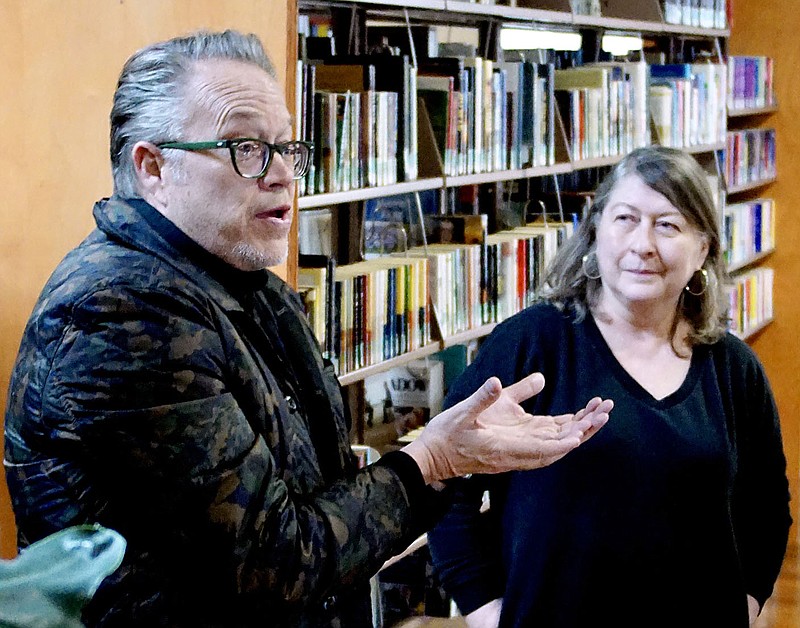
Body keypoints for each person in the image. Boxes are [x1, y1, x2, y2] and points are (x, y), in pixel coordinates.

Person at [2, 30, 613, 627]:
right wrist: (431, 461)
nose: (281, 175)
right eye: (245, 148)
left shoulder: (251, 287)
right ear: (153, 167)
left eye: (288, 149)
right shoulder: (119, 312)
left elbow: (330, 500)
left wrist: (453, 458)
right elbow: (274, 565)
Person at [428, 146, 792, 628]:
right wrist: (484, 608)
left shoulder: (733, 368)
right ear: (595, 229)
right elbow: (443, 478)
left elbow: (765, 507)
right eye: (626, 218)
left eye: (668, 225)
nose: (643, 244)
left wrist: (743, 604)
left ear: (703, 247)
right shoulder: (533, 344)